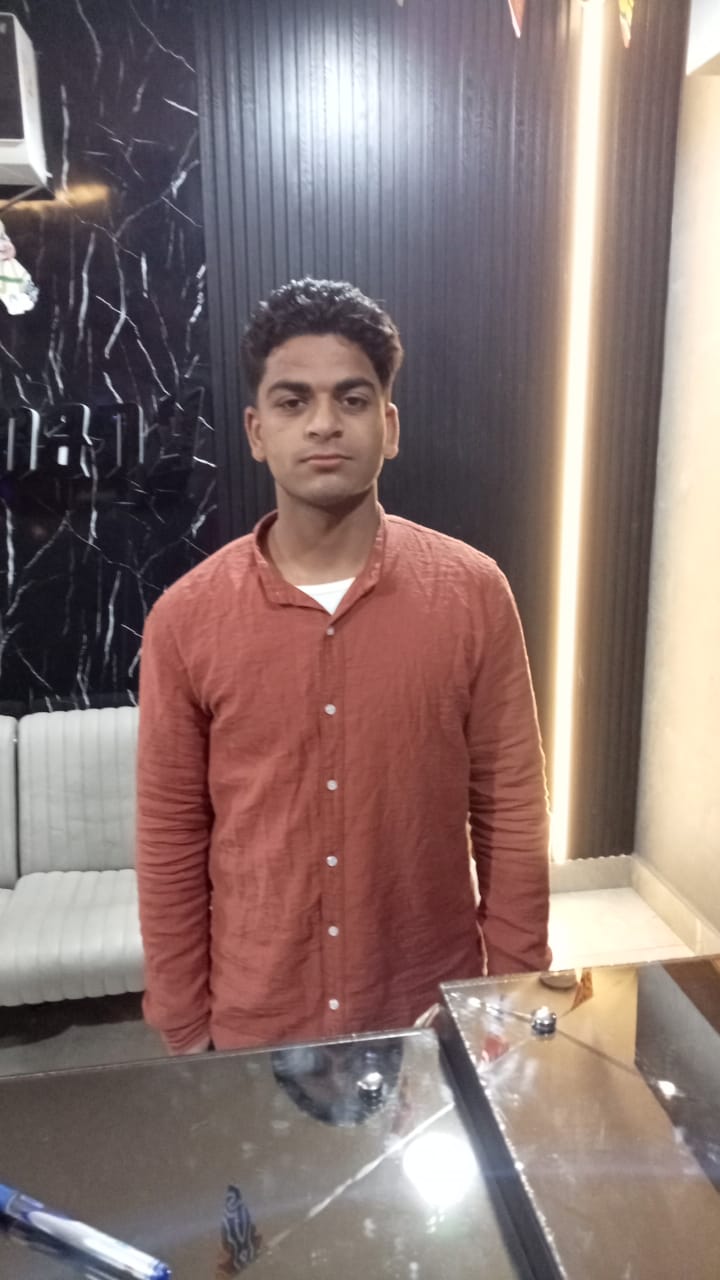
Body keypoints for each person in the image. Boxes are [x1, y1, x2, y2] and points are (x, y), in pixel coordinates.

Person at [136, 278, 551, 1055]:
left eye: (352, 399)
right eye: (293, 402)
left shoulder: (473, 594)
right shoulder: (185, 620)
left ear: (389, 426)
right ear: (257, 431)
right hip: (258, 1024)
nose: (324, 423)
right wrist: (185, 1030)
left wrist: (514, 993)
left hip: (428, 1012)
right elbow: (170, 840)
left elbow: (511, 810)